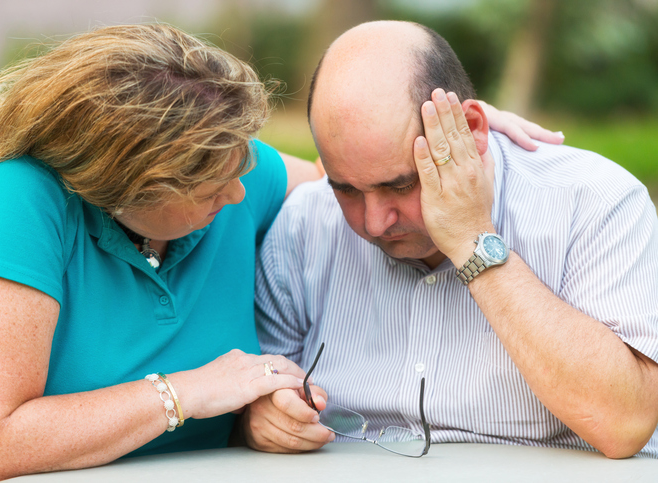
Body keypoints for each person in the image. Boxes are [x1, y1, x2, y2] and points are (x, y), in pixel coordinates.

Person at [0, 23, 559, 482]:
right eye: (210, 186)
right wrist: (187, 393)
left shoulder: (236, 177)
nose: (240, 191)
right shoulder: (19, 202)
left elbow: (351, 178)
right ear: (124, 186)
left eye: (240, 164)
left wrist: (446, 127)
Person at [246, 21, 658, 458]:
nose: (373, 223)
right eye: (345, 189)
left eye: (401, 186)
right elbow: (263, 396)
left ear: (472, 129)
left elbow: (625, 423)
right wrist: (263, 417)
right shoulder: (303, 222)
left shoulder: (593, 202)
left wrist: (473, 241)